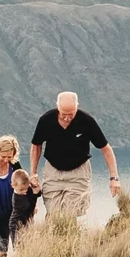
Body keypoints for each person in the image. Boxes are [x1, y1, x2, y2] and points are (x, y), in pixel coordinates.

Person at [30, 91, 122, 219]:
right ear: (58, 107)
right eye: (63, 114)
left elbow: (105, 149)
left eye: (71, 115)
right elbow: (36, 145)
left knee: (70, 213)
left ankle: (69, 237)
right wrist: (33, 173)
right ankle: (51, 238)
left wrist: (114, 178)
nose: (67, 118)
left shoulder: (86, 121)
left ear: (77, 107)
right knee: (53, 213)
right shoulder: (46, 120)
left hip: (78, 171)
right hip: (53, 171)